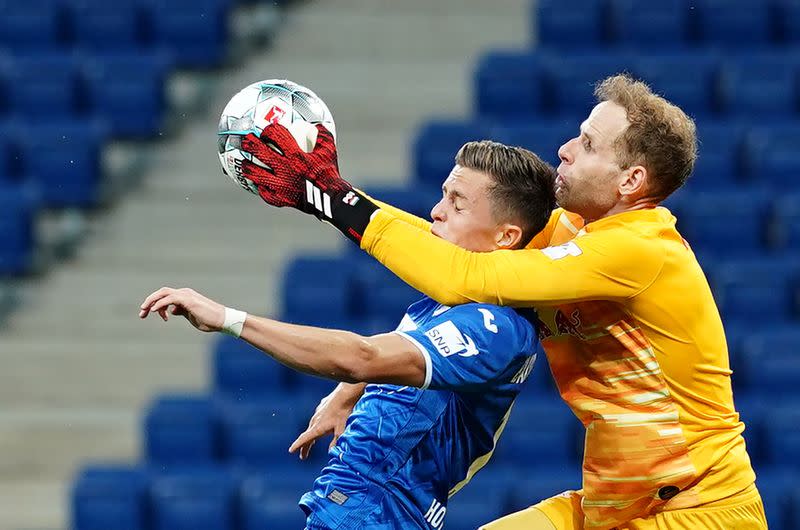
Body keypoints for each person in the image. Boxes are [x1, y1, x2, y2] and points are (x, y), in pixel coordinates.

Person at [238, 74, 767, 530]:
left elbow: (459, 276)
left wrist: (332, 199)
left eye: (586, 144)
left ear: (631, 181)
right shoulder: (571, 234)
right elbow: (452, 242)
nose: (564, 148)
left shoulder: (642, 251)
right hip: (614, 505)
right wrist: (326, 195)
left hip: (699, 507)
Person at [139, 140, 556, 530]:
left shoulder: (496, 327)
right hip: (363, 506)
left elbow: (362, 357)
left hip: (380, 511)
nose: (435, 211)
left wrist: (228, 318)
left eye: (457, 204)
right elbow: (397, 365)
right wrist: (346, 394)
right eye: (444, 194)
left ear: (505, 237)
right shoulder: (453, 300)